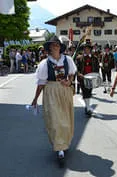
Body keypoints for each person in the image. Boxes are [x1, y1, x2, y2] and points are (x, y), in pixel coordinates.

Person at [31, 36, 77, 167]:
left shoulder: (68, 60)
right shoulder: (45, 64)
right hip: (51, 91)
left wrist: (70, 81)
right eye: (53, 45)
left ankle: (64, 142)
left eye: (57, 44)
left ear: (60, 46)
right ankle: (60, 148)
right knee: (55, 119)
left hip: (65, 91)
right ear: (49, 48)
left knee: (66, 119)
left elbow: (72, 73)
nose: (55, 46)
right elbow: (41, 83)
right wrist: (35, 99)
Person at [76, 40, 99, 116]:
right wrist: (80, 75)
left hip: (91, 78)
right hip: (82, 78)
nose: (86, 50)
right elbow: (76, 69)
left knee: (89, 92)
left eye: (88, 49)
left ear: (90, 49)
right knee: (85, 92)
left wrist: (96, 76)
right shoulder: (79, 58)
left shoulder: (95, 58)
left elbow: (97, 68)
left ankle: (87, 106)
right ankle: (88, 108)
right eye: (85, 49)